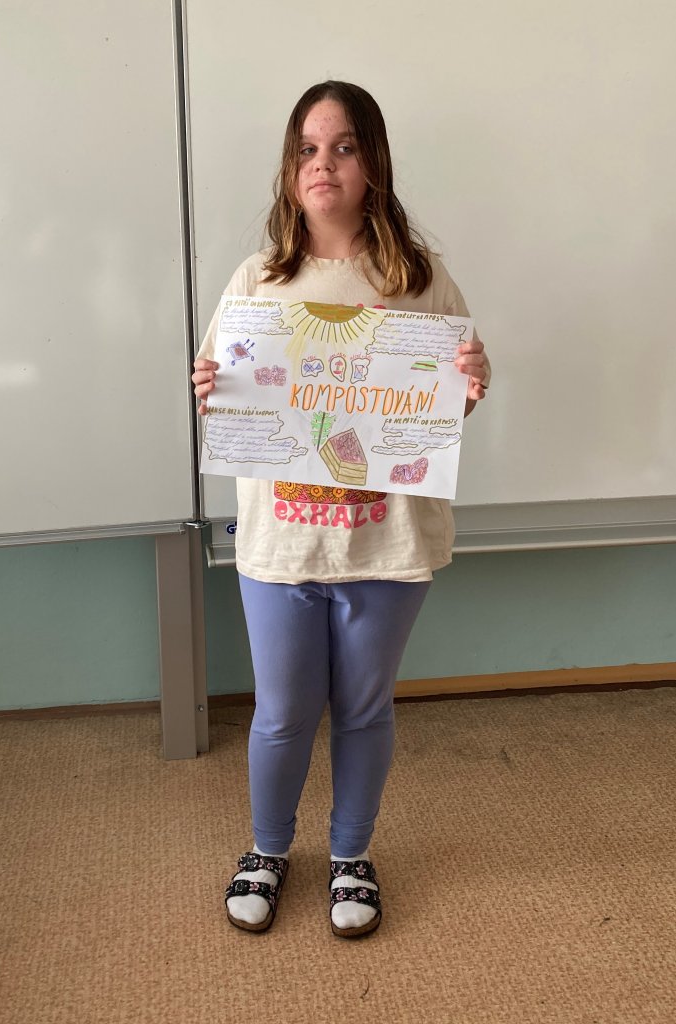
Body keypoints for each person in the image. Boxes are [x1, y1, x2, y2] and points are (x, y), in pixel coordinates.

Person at [192, 81, 490, 939]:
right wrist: (209, 386)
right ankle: (267, 848)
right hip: (280, 545)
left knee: (363, 709)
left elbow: (442, 405)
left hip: (386, 546)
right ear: (290, 170)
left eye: (343, 147)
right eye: (307, 149)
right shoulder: (259, 279)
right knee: (282, 712)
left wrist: (469, 386)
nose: (322, 164)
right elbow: (224, 391)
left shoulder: (416, 279)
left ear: (372, 164)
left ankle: (351, 855)